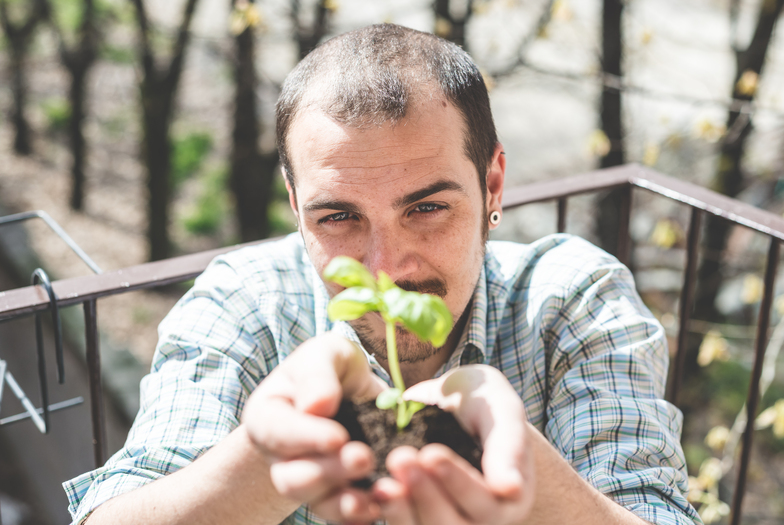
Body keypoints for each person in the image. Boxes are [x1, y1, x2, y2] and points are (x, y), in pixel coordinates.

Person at [65, 24, 701, 525]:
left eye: (426, 208)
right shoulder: (245, 300)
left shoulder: (570, 299)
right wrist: (266, 458)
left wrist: (534, 480)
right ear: (295, 205)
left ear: (492, 184)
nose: (387, 268)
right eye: (338, 216)